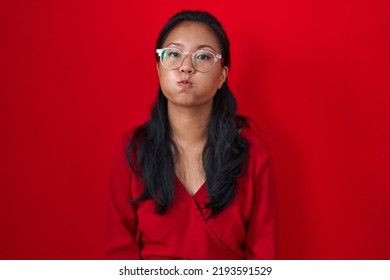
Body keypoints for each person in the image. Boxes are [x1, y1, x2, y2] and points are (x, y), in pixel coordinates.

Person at [104, 10, 276, 260]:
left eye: (203, 57)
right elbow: (117, 255)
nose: (186, 67)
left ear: (222, 76)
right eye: (173, 54)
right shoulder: (132, 150)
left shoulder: (253, 153)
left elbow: (264, 259)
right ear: (158, 68)